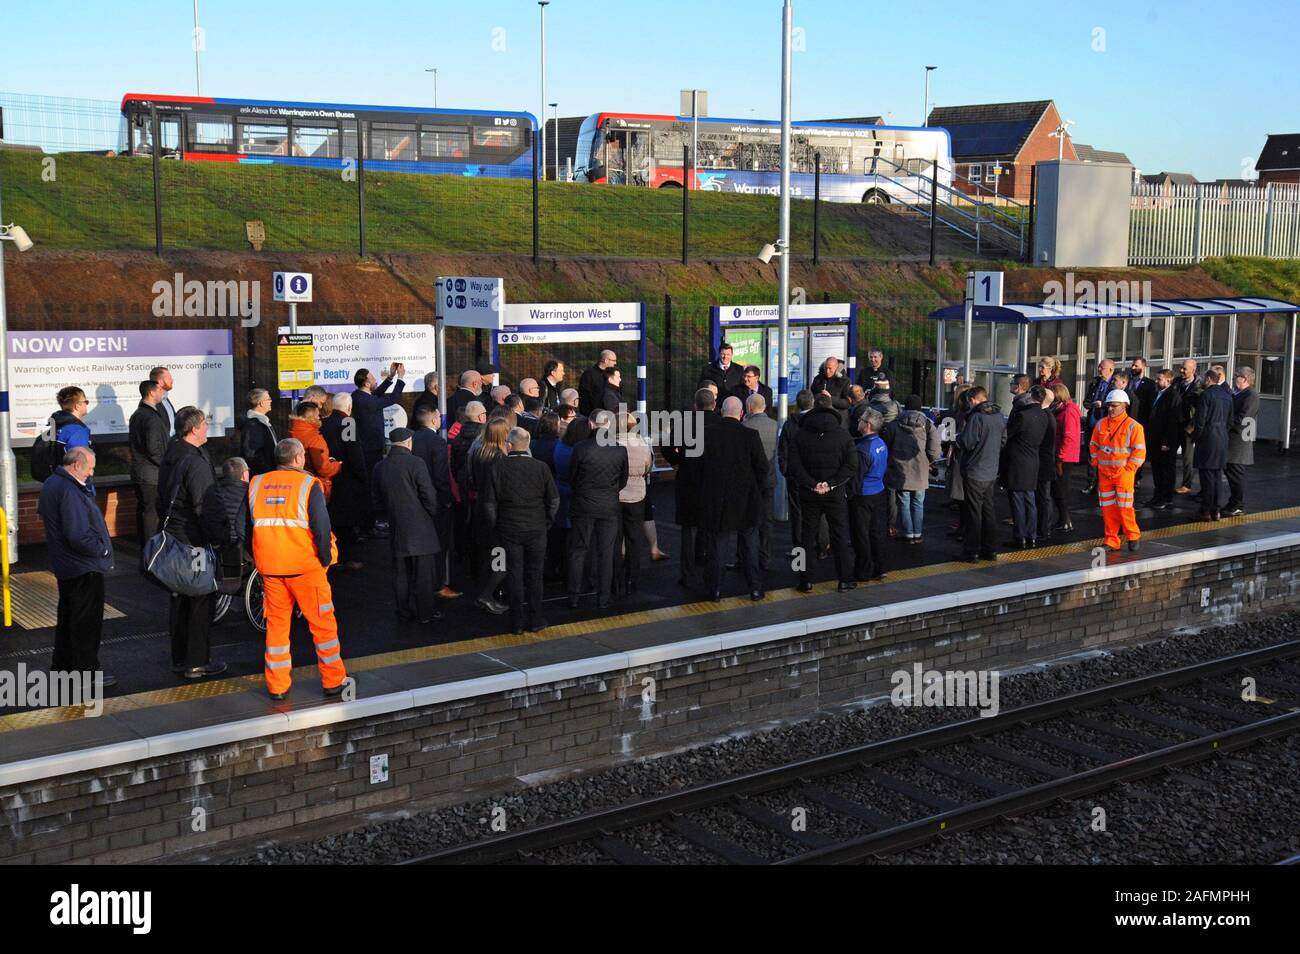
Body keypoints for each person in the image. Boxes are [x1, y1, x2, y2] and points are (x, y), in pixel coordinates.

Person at [249, 438, 347, 701]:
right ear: (297, 459)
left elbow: (245, 525)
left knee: (277, 628)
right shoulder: (308, 484)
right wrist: (325, 559)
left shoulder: (256, 483)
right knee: (323, 625)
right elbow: (321, 527)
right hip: (306, 568)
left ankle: (277, 686)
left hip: (271, 568)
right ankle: (333, 681)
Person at [157, 406, 226, 680]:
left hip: (174, 537)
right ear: (195, 428)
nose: (208, 428)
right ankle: (197, 662)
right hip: (193, 540)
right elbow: (204, 505)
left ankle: (180, 657)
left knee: (180, 597)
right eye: (205, 424)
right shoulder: (195, 461)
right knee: (200, 599)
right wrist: (220, 536)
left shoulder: (172, 454)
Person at [38, 446, 116, 687]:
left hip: (67, 566)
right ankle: (86, 674)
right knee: (86, 624)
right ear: (76, 465)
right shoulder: (70, 490)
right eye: (90, 467)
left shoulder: (52, 483)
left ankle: (62, 669)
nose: (91, 473)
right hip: (83, 567)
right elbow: (78, 535)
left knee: (68, 620)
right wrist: (101, 549)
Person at [483, 427, 559, 634]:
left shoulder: (498, 468)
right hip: (536, 527)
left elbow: (489, 503)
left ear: (509, 445)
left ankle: (516, 622)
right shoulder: (541, 468)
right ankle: (536, 619)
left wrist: (496, 524)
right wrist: (547, 522)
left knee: (514, 574)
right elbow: (553, 500)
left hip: (509, 528)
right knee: (535, 574)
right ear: (528, 444)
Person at [696, 397, 768, 601]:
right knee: (749, 545)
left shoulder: (707, 435)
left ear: (721, 411)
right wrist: (756, 489)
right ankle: (754, 588)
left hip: (717, 499)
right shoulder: (750, 435)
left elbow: (700, 469)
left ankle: (715, 590)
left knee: (718, 546)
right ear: (742, 413)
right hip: (746, 498)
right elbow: (762, 467)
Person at [372, 428, 444, 624]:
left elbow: (377, 500)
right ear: (409, 442)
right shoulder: (416, 463)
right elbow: (428, 494)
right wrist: (433, 512)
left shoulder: (380, 466)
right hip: (421, 526)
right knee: (423, 574)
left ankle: (403, 610)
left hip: (397, 527)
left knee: (401, 573)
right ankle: (425, 613)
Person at [787, 393, 857, 592]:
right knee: (840, 535)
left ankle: (804, 579)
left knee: (805, 537)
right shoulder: (843, 435)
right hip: (834, 494)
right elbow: (851, 465)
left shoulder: (800, 434)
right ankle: (844, 579)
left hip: (809, 494)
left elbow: (794, 465)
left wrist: (811, 484)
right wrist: (831, 484)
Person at [567, 409, 628, 608]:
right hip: (609, 505)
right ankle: (603, 597)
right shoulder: (619, 449)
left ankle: (574, 596)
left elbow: (572, 477)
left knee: (579, 550)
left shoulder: (581, 448)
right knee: (607, 552)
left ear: (591, 424)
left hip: (583, 504)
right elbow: (623, 480)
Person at [664, 388, 721, 589]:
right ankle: (709, 572)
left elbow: (668, 449)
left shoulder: (684, 424)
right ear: (713, 404)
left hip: (688, 480)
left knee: (688, 530)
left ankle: (687, 574)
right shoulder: (721, 424)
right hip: (714, 481)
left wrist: (680, 459)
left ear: (695, 405)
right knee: (711, 530)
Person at [411, 405, 459, 598]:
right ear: (433, 420)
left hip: (417, 500)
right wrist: (447, 500)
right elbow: (441, 476)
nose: (441, 419)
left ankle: (423, 583)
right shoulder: (437, 442)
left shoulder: (412, 439)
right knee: (440, 545)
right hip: (437, 501)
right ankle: (438, 585)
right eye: (439, 416)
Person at [464, 418, 511, 615]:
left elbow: (469, 478)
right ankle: (487, 594)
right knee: (500, 557)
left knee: (488, 554)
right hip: (495, 511)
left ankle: (488, 591)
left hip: (479, 507)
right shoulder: (499, 458)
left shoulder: (478, 452)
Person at [1090, 390, 1146, 550]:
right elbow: (1093, 444)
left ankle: (1133, 536)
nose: (1110, 409)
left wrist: (1129, 469)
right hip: (1105, 473)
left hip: (1123, 475)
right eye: (1109, 405)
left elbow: (1139, 451)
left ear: (1124, 406)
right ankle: (1111, 540)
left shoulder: (1134, 427)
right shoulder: (1101, 424)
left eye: (1114, 406)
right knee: (1108, 509)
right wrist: (1096, 462)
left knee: (1125, 508)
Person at [956, 387, 1006, 562]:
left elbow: (967, 443)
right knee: (988, 511)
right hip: (991, 470)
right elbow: (1003, 441)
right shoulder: (999, 416)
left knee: (973, 513)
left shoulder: (977, 417)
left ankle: (971, 551)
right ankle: (990, 549)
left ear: (973, 400)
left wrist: (958, 438)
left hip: (975, 471)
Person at [883, 394, 940, 543]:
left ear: (905, 407)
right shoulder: (928, 425)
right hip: (921, 470)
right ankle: (918, 533)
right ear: (920, 407)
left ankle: (908, 533)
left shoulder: (894, 424)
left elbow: (886, 446)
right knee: (919, 502)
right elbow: (934, 450)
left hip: (900, 470)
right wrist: (929, 462)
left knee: (904, 502)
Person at [320, 392, 367, 570]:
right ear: (349, 408)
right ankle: (346, 558)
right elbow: (354, 452)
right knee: (347, 520)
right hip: (346, 477)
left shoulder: (324, 423)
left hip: (328, 476)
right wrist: (362, 475)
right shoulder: (348, 423)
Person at [1003, 385, 1051, 548]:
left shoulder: (1022, 415)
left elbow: (1007, 435)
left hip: (1018, 461)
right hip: (1033, 460)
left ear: (1030, 395)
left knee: (1017, 500)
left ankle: (1020, 536)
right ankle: (1031, 536)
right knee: (1030, 499)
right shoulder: (1044, 415)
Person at [615, 411, 653, 595]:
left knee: (615, 538)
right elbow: (648, 466)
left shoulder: (612, 443)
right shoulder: (642, 444)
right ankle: (633, 576)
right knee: (633, 537)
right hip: (637, 494)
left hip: (616, 494)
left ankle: (615, 577)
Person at [200, 456, 251, 589]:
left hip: (218, 543)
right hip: (241, 545)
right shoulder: (250, 492)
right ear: (244, 474)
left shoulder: (212, 490)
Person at [850, 409, 889, 581]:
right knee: (877, 531)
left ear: (867, 425)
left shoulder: (862, 449)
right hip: (879, 490)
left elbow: (856, 478)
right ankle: (880, 566)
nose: (858, 421)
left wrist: (849, 495)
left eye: (861, 419)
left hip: (863, 495)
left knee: (861, 534)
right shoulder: (880, 443)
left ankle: (863, 570)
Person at [777, 389, 817, 553]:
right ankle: (815, 544)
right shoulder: (818, 422)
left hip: (795, 475)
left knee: (797, 511)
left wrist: (785, 470)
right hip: (814, 474)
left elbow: (783, 449)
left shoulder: (790, 424)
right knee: (814, 509)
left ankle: (799, 548)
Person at [742, 393, 778, 573]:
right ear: (764, 407)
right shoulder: (774, 425)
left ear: (749, 408)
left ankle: (745, 559)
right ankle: (766, 559)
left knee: (747, 522)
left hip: (749, 482)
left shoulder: (745, 426)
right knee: (766, 522)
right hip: (768, 480)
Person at [128, 379, 168, 541]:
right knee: (151, 513)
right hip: (151, 474)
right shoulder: (150, 417)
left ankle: (146, 548)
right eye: (159, 390)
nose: (162, 393)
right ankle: (152, 551)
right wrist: (166, 464)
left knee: (144, 510)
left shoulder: (138, 414)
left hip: (140, 472)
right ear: (151, 392)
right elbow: (153, 449)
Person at [351, 364, 406, 475]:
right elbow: (393, 398)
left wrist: (390, 377)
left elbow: (376, 392)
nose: (376, 380)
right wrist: (400, 377)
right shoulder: (368, 401)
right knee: (374, 475)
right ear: (366, 384)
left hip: (366, 444)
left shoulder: (357, 395)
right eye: (372, 379)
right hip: (372, 447)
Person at [1142, 369, 1183, 511]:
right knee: (1156, 468)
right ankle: (1158, 495)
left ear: (1168, 381)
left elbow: (1172, 421)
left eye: (1159, 379)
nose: (1156, 381)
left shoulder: (1173, 396)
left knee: (1166, 469)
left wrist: (1167, 442)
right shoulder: (1157, 394)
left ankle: (1167, 498)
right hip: (1155, 438)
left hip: (1165, 440)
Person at [1193, 368, 1232, 521]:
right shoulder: (1227, 395)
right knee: (1217, 476)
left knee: (1207, 477)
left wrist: (1197, 436)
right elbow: (1230, 420)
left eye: (1204, 379)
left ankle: (1206, 510)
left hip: (1208, 439)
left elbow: (1200, 420)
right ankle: (1216, 510)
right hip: (1222, 439)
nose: (1202, 381)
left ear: (1209, 379)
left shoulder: (1206, 395)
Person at [1224, 367, 1260, 516]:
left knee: (1236, 474)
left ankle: (1237, 504)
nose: (1233, 379)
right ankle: (1233, 502)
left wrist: (1223, 424)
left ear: (1244, 379)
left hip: (1239, 442)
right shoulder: (1237, 393)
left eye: (1236, 376)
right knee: (1231, 473)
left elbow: (1243, 419)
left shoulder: (1251, 396)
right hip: (1231, 441)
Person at [288, 401, 341, 501]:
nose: (319, 418)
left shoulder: (293, 432)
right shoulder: (314, 439)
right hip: (315, 486)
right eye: (317, 415)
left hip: (296, 483)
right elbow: (324, 469)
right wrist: (338, 466)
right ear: (311, 417)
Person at [1049, 383, 1082, 532]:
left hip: (1064, 457)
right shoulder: (1062, 409)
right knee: (1058, 489)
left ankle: (1065, 520)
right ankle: (1064, 520)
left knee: (1060, 489)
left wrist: (1060, 457)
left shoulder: (1068, 411)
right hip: (1063, 454)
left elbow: (1068, 436)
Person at [1082, 359, 1115, 494]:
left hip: (1106, 424)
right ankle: (1091, 483)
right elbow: (1086, 402)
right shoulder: (1095, 382)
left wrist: (1103, 404)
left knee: (1106, 455)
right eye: (1099, 367)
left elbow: (1118, 402)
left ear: (1110, 370)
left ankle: (1105, 484)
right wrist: (1091, 405)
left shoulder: (1115, 383)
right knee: (1091, 454)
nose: (1099, 370)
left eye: (1102, 368)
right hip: (1093, 422)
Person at [1175, 358, 1202, 495]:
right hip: (1175, 423)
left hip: (1188, 426)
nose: (1181, 370)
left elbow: (1199, 410)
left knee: (1187, 457)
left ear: (1193, 370)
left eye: (1185, 368)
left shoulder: (1199, 386)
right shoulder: (1177, 382)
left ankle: (1187, 484)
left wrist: (1191, 427)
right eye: (1181, 367)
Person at [239, 388, 277, 476]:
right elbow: (253, 454)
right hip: (262, 476)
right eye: (268, 399)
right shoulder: (253, 425)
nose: (271, 401)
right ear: (261, 403)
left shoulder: (262, 422)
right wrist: (269, 472)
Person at [50, 385, 93, 454]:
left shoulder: (57, 426)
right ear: (78, 406)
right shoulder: (78, 431)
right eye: (86, 402)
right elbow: (79, 462)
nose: (87, 405)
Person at [579, 350, 617, 416]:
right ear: (606, 360)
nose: (615, 363)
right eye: (613, 360)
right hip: (594, 417)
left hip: (612, 416)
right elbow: (584, 397)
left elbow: (619, 394)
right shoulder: (589, 375)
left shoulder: (614, 374)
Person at [149, 366, 177, 437]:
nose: (172, 380)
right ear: (160, 382)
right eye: (169, 378)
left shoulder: (165, 399)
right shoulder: (151, 401)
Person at [1130, 358, 1157, 425]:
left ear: (1143, 367)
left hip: (1141, 419)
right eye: (1132, 365)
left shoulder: (1150, 383)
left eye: (1136, 366)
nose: (1133, 367)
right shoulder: (1126, 381)